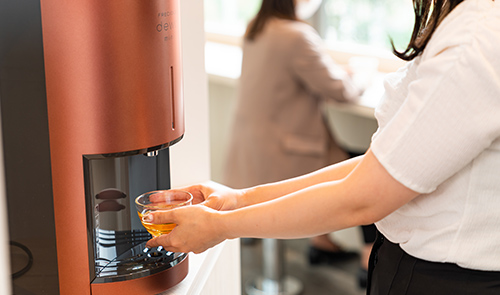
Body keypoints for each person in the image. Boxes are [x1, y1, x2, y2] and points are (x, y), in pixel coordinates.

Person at [146, 0, 500, 293]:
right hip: (292, 157)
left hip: (441, 275)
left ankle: (331, 247)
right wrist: (237, 202)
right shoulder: (467, 30)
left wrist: (224, 223)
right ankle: (341, 249)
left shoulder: (476, 38)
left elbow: (366, 192)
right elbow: (378, 167)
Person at [221, 0, 360, 262]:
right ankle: (367, 259)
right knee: (364, 168)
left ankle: (322, 241)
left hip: (250, 151)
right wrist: (360, 74)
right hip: (282, 156)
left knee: (341, 152)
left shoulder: (256, 27)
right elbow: (342, 91)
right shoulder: (296, 35)